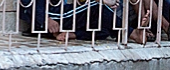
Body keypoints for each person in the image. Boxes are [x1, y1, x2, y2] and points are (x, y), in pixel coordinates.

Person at [20, 0, 151, 44]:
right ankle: (133, 34)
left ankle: (73, 34)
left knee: (102, 26)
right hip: (48, 15)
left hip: (57, 11)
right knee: (97, 8)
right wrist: (46, 20)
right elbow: (27, 4)